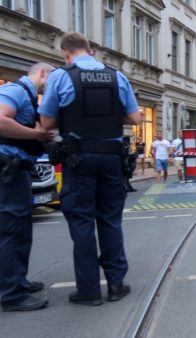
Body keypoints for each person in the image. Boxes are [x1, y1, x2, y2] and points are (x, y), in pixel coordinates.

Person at [39, 32, 140, 305]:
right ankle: (117, 283)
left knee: (82, 222)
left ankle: (89, 290)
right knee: (110, 219)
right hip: (111, 159)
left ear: (65, 53)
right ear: (91, 51)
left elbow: (46, 123)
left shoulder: (61, 76)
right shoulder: (117, 76)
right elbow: (135, 118)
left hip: (79, 159)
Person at [0, 63, 54, 312]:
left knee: (20, 229)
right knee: (12, 230)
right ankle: (12, 294)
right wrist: (36, 135)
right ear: (42, 73)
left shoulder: (28, 96)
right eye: (52, 78)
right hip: (8, 170)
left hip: (16, 169)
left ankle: (16, 281)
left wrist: (38, 133)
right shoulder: (17, 90)